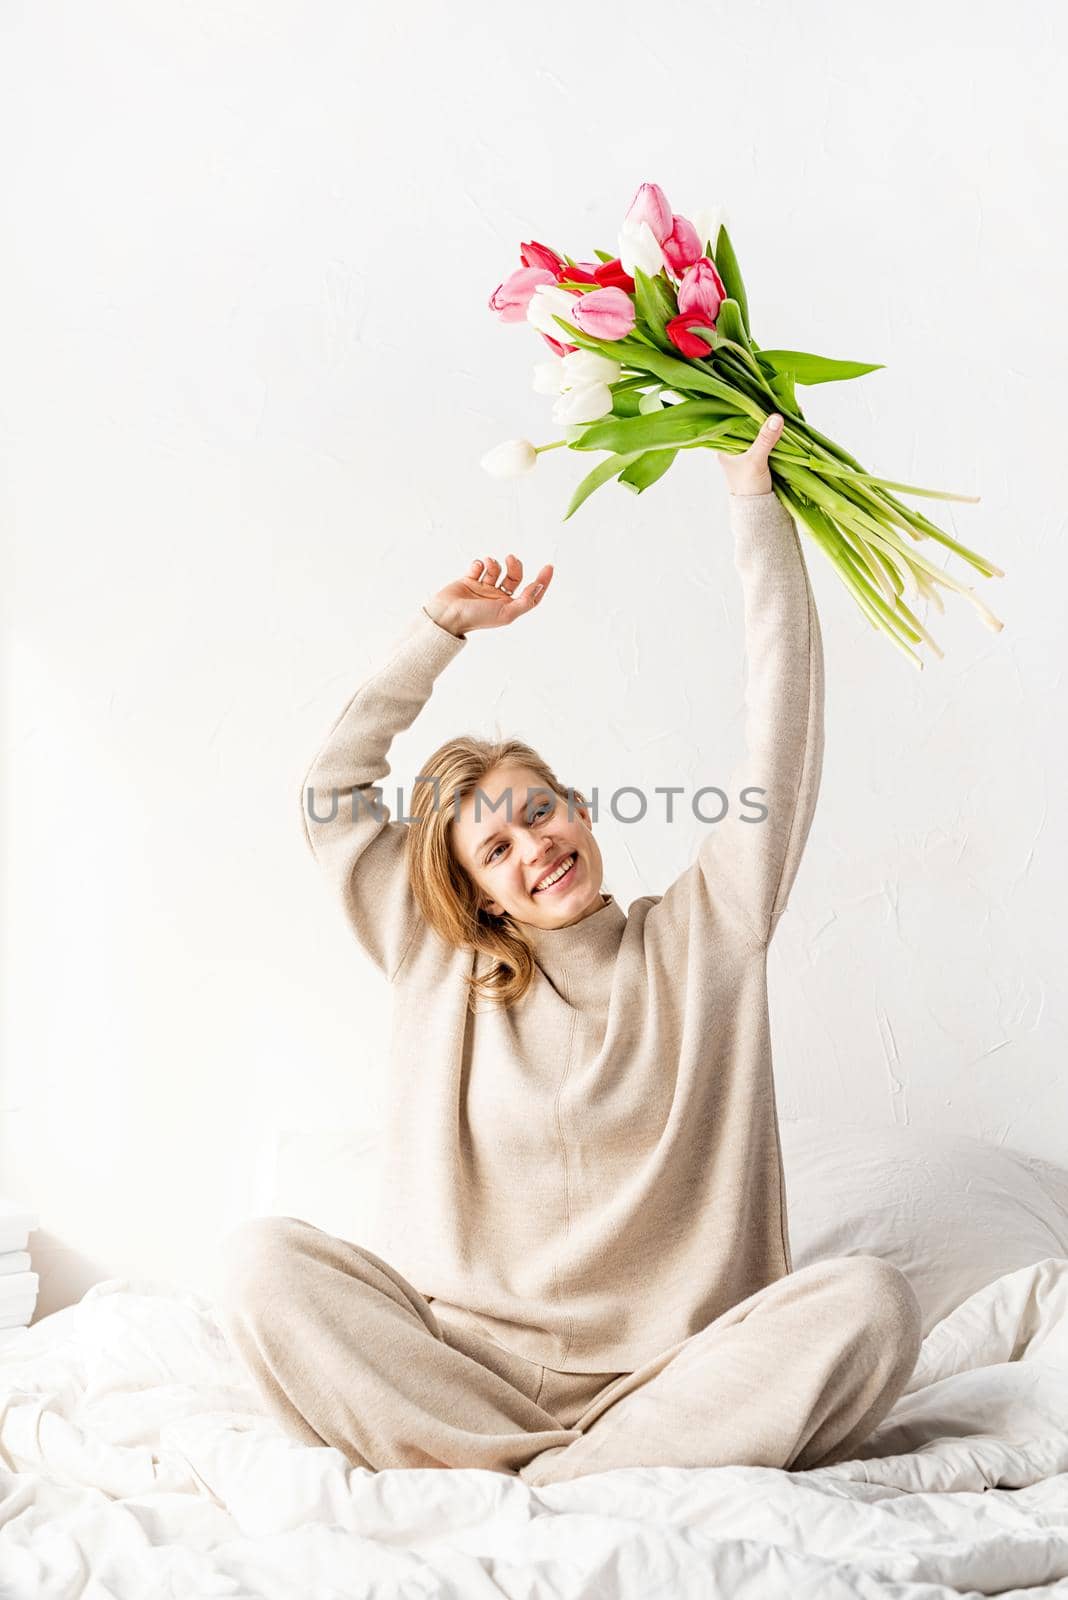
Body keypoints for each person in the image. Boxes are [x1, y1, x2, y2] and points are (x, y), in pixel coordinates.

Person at [218, 413, 922, 1486]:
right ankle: (589, 1474)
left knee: (873, 1301)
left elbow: (782, 728)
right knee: (261, 1263)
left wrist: (754, 512)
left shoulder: (709, 932)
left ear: (581, 809)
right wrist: (435, 633)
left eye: (540, 813)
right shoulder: (433, 958)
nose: (533, 846)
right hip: (464, 1371)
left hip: (674, 1378)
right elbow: (329, 796)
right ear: (475, 890)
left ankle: (550, 1480)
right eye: (496, 846)